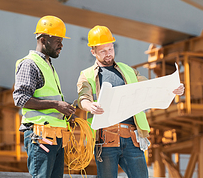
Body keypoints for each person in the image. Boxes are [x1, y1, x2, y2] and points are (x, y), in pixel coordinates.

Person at [77, 25, 185, 178]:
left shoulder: (128, 70)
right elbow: (83, 97)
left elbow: (150, 87)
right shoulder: (86, 75)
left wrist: (171, 90)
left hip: (132, 139)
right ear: (93, 52)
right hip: (105, 140)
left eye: (110, 49)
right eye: (103, 51)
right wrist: (90, 106)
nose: (108, 54)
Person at [13, 15, 76, 178]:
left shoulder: (48, 65)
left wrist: (65, 113)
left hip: (55, 135)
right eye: (58, 40)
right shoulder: (30, 64)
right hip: (40, 135)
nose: (61, 45)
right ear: (43, 39)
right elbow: (20, 98)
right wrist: (56, 104)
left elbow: (49, 100)